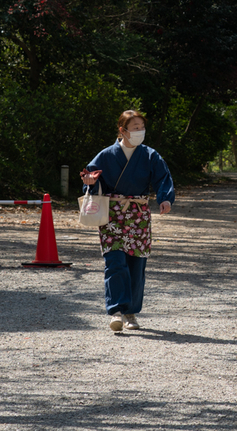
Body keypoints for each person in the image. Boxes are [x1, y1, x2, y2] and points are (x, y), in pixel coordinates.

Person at [80, 110, 175, 333]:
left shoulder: (151, 155)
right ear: (122, 130)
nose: (140, 131)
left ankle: (130, 312)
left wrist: (165, 199)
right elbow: (91, 180)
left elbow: (163, 178)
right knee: (114, 261)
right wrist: (89, 182)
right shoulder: (105, 155)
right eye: (135, 127)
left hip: (138, 213)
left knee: (136, 263)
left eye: (142, 126)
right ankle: (115, 311)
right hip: (112, 214)